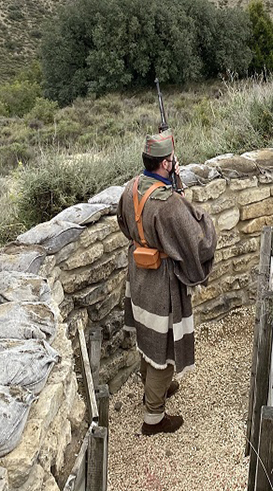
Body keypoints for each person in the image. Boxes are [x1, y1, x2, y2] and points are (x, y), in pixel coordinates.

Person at [116, 130, 218, 436]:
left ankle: (153, 389)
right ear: (165, 164)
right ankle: (154, 417)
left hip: (139, 275)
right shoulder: (168, 203)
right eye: (172, 160)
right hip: (163, 282)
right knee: (164, 349)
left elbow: (124, 224)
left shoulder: (130, 188)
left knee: (147, 336)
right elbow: (199, 243)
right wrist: (192, 209)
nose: (175, 163)